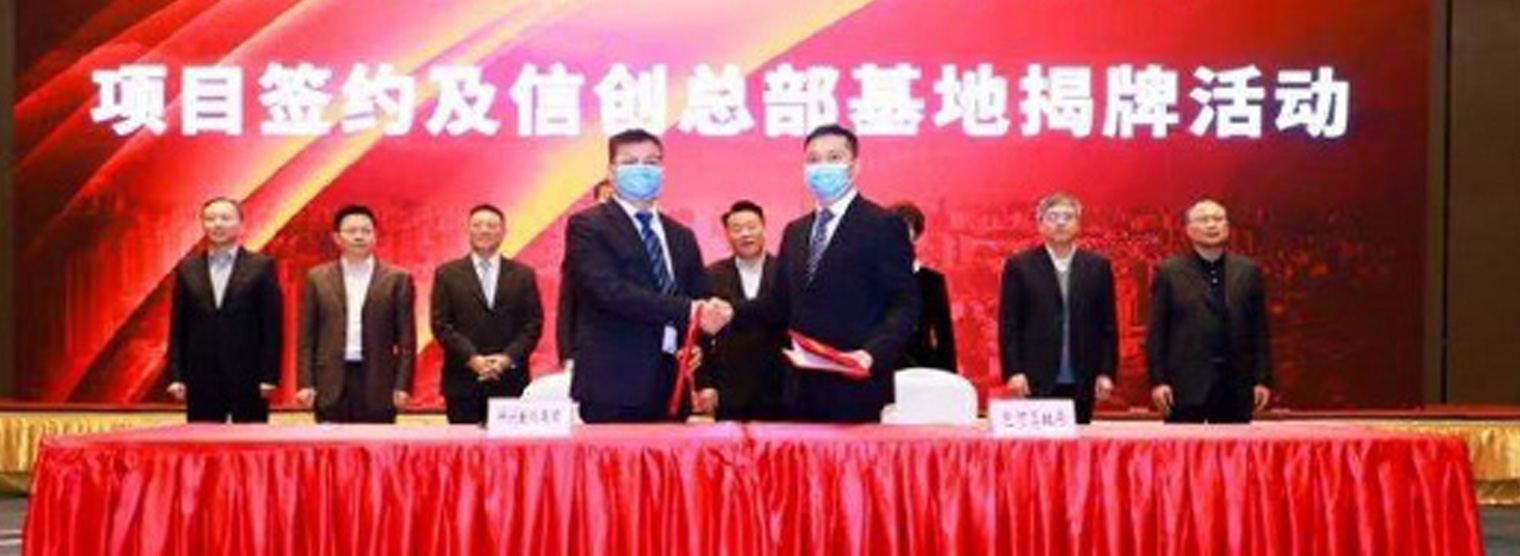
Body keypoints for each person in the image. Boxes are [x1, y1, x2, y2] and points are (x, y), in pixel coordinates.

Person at [742, 124, 921, 423]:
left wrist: (871, 354)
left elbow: (904, 304)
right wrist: (724, 313)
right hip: (799, 391)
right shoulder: (795, 231)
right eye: (813, 159)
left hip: (857, 387)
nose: (822, 166)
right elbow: (777, 305)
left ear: (855, 166)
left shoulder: (882, 225)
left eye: (834, 157)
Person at [562, 129, 730, 423]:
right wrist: (692, 310)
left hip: (672, 385)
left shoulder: (681, 235)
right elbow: (609, 292)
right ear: (611, 172)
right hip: (613, 386)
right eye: (630, 162)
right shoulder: (587, 226)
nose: (642, 170)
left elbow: (697, 297)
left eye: (651, 162)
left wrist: (700, 338)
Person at [1147, 199, 1273, 424]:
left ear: (1228, 226)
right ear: (1188, 230)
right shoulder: (1169, 272)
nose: (1212, 225)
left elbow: (1259, 331)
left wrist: (1262, 380)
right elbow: (1157, 333)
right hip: (1183, 388)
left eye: (1218, 219)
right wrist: (1158, 381)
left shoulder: (1248, 271)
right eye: (1203, 220)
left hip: (1236, 387)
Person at [997, 193, 1118, 424]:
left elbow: (1108, 325)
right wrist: (1014, 371)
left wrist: (1106, 372)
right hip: (1034, 377)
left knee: (1079, 441)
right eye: (1053, 217)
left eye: (1068, 217)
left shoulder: (1098, 266)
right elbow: (1009, 324)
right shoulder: (1020, 266)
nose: (1061, 223)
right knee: (1039, 444)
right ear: (1040, 224)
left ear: (1078, 224)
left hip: (1084, 377)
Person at [166, 197, 283, 422]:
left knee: (249, 440)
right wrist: (176, 376)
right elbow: (178, 327)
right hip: (200, 375)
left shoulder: (261, 266)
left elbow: (271, 326)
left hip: (249, 374)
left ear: (240, 224)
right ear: (202, 224)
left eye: (225, 218)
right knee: (203, 439)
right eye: (210, 219)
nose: (217, 224)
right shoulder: (188, 269)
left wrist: (270, 376)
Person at [296, 205, 416, 423]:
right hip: (329, 382)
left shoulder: (398, 279)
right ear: (337, 238)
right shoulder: (317, 277)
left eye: (366, 231)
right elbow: (307, 337)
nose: (359, 236)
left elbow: (407, 340)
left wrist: (402, 385)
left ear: (375, 236)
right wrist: (306, 383)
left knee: (376, 443)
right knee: (331, 444)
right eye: (351, 231)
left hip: (379, 382)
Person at [431, 204, 544, 424]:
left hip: (510, 380)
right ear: (468, 230)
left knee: (508, 445)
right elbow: (441, 325)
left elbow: (532, 324)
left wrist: (507, 359)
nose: (484, 230)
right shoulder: (447, 274)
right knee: (463, 444)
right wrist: (472, 358)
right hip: (463, 381)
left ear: (503, 231)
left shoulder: (523, 275)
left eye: (491, 225)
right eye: (478, 225)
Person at [696, 201, 789, 421]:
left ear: (763, 228)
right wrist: (705, 383)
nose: (745, 234)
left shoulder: (785, 272)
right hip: (730, 389)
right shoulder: (711, 275)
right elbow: (701, 334)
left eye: (751, 227)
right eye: (737, 229)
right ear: (727, 235)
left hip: (781, 387)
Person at [890, 202, 957, 371]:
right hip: (883, 369)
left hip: (922, 367)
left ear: (916, 235)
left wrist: (949, 376)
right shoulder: (873, 278)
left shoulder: (932, 281)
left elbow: (944, 334)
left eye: (906, 229)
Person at [556, 180, 614, 372]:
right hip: (588, 349)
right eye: (605, 198)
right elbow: (567, 304)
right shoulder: (580, 250)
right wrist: (566, 354)